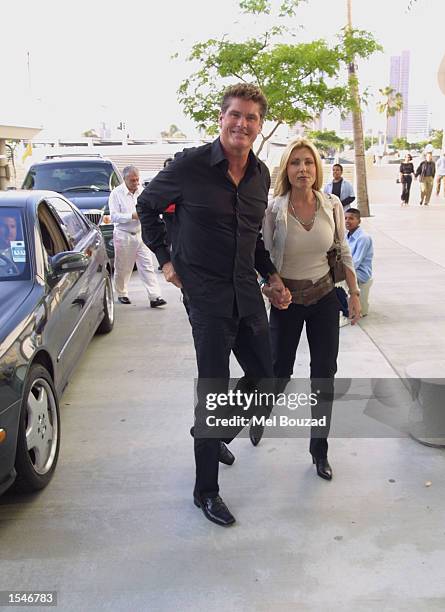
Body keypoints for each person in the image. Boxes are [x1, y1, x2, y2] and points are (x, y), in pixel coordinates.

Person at [137, 83, 290, 527]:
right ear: (221, 119)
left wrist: (272, 277)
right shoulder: (189, 168)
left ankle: (217, 434)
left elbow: (253, 241)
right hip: (205, 299)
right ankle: (205, 491)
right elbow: (148, 207)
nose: (242, 124)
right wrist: (165, 260)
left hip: (246, 292)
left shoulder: (260, 176)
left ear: (260, 126)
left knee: (268, 377)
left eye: (252, 118)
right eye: (235, 115)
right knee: (214, 391)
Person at [262, 138, 361, 481]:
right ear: (286, 170)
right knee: (279, 372)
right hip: (287, 302)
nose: (302, 169)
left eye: (308, 162)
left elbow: (342, 250)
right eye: (295, 163)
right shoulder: (274, 209)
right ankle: (260, 414)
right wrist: (269, 290)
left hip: (322, 299)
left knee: (324, 375)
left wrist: (354, 292)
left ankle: (319, 449)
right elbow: (262, 260)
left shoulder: (331, 204)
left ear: (317, 169)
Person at [109, 165, 166, 308]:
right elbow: (114, 216)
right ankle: (122, 293)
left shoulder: (142, 192)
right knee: (123, 267)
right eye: (132, 180)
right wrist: (131, 216)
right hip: (124, 234)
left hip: (141, 233)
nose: (135, 183)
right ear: (125, 179)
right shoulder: (116, 194)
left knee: (147, 265)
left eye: (137, 180)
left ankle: (155, 296)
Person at [344, 208, 373, 316]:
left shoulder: (363, 238)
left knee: (335, 279)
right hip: (350, 268)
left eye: (351, 218)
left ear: (359, 221)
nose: (347, 221)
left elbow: (355, 262)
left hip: (361, 272)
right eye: (345, 218)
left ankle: (346, 309)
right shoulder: (346, 235)